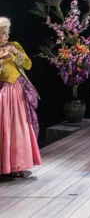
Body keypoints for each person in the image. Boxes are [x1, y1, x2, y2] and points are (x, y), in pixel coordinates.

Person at [0, 17, 41, 178]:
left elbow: (28, 65)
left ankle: (17, 165)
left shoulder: (14, 46)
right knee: (4, 128)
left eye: (7, 33)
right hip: (2, 92)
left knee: (18, 127)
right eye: (3, 33)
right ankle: (4, 166)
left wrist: (17, 54)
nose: (7, 36)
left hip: (15, 91)